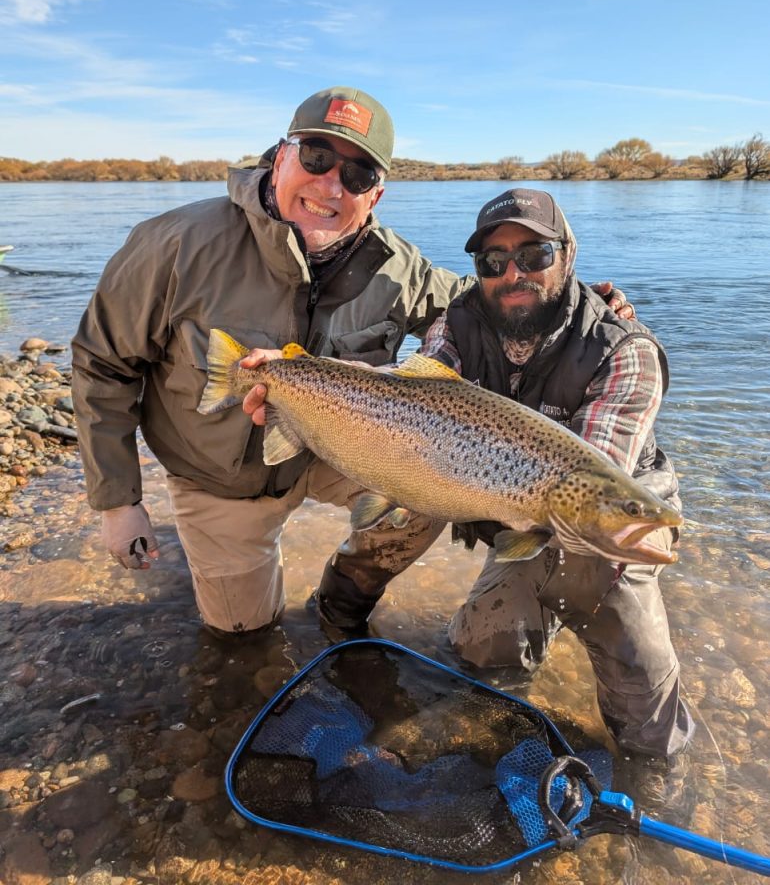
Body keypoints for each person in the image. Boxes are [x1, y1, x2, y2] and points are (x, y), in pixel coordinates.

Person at [72, 85, 629, 646]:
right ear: (281, 157)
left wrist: (580, 302)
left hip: (340, 450)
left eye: (358, 175)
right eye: (317, 157)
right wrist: (119, 502)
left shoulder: (397, 268)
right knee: (243, 636)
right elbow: (102, 365)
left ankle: (342, 599)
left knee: (429, 497)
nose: (331, 185)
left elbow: (485, 299)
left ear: (376, 194)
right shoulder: (172, 244)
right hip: (218, 480)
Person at [309, 187, 694, 760]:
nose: (514, 273)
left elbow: (594, 481)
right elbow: (411, 387)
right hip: (506, 504)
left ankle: (658, 781)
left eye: (534, 255)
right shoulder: (458, 322)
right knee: (478, 653)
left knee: (647, 720)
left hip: (603, 528)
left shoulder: (622, 349)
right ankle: (334, 615)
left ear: (568, 255)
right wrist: (307, 379)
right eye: (494, 261)